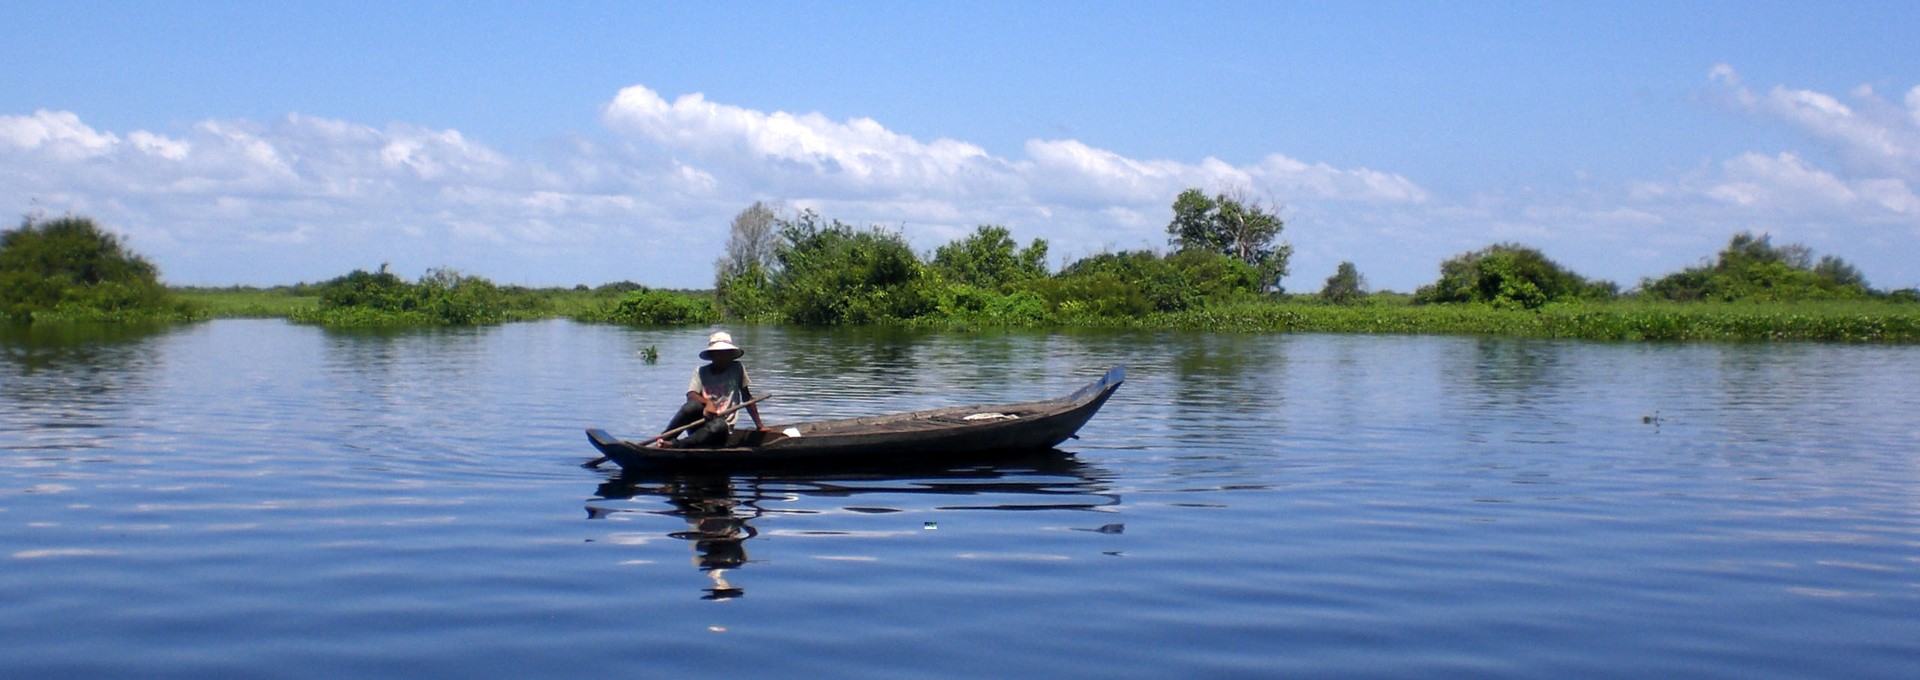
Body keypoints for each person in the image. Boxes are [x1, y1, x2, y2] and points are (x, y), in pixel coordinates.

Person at [657, 331, 766, 448]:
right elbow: (691, 395)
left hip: (721, 429)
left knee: (719, 425)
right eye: (718, 354)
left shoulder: (737, 369)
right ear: (712, 355)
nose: (721, 357)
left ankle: (675, 445)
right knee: (692, 406)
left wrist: (759, 425)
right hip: (701, 424)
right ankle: (663, 440)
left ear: (730, 355)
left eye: (725, 354)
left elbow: (747, 397)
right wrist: (708, 403)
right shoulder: (700, 371)